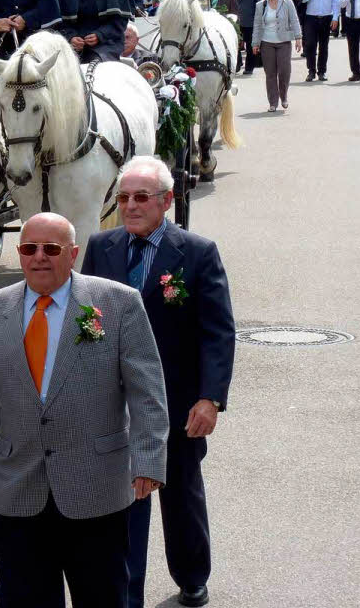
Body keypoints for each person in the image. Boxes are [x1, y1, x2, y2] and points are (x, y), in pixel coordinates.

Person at [0, 212, 168, 608]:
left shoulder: (118, 303)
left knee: (103, 597)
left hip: (97, 490)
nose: (39, 257)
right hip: (17, 489)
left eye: (51, 249)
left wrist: (149, 460)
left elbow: (148, 392)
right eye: (29, 248)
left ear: (72, 253)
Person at [81, 156, 235, 608]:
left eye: (141, 198)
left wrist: (209, 399)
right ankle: (128, 593)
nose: (130, 206)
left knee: (180, 492)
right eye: (124, 197)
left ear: (166, 201)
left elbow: (217, 332)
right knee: (125, 498)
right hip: (114, 400)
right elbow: (87, 318)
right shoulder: (101, 247)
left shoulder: (198, 252)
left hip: (177, 400)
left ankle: (191, 574)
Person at [251, 0, 303, 112]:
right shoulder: (260, 5)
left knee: (285, 71)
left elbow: (294, 19)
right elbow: (257, 25)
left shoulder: (287, 2)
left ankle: (283, 95)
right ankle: (273, 102)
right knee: (270, 73)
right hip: (266, 42)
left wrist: (298, 37)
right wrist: (255, 43)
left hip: (284, 42)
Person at [300, 0, 340, 81]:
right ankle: (311, 71)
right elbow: (302, 0)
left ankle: (322, 71)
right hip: (310, 18)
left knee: (323, 46)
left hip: (326, 18)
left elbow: (336, 2)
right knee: (310, 45)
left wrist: (335, 18)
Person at [231, 0, 264, 74]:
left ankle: (249, 67)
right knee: (236, 43)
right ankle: (237, 64)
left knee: (250, 44)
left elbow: (259, 1)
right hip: (236, 20)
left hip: (250, 19)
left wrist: (258, 19)